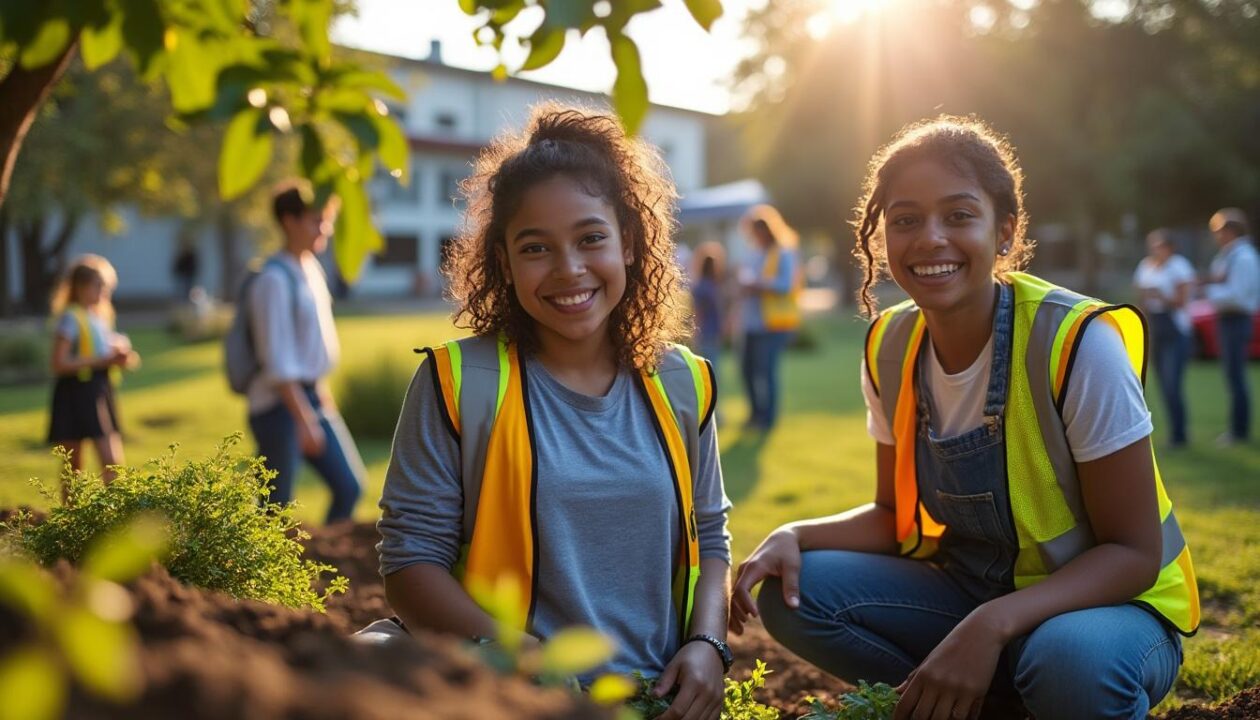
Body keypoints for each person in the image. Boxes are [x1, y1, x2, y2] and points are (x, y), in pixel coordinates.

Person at [730, 116, 1199, 720]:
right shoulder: (891, 346)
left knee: (1069, 662)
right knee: (796, 595)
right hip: (974, 595)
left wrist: (992, 623)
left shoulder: (1075, 342)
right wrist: (796, 534)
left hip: (1111, 611)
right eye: (905, 220)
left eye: (958, 215)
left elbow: (1134, 553)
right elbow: (893, 517)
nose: (930, 238)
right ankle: (975, 702)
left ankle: (1031, 684)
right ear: (882, 238)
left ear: (1004, 231)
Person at [373, 105, 733, 720]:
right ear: (503, 263)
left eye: (591, 238)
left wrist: (707, 644)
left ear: (629, 242)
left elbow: (711, 536)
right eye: (535, 247)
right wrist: (517, 657)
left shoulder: (683, 382)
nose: (569, 269)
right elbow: (409, 563)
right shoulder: (459, 383)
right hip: (506, 695)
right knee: (364, 654)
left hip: (654, 702)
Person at [246, 182, 364, 524]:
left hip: (311, 397)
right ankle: (269, 576)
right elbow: (277, 359)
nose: (324, 228)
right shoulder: (273, 279)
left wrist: (321, 396)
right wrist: (303, 418)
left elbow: (309, 345)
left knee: (349, 487)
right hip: (279, 408)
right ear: (288, 221)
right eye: (316, 219)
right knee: (275, 510)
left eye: (326, 220)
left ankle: (324, 566)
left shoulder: (311, 268)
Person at [47, 254, 139, 484]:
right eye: (99, 286)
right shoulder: (71, 318)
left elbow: (107, 354)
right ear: (80, 287)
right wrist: (100, 361)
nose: (104, 292)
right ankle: (71, 516)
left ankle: (116, 516)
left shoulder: (99, 317)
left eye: (106, 286)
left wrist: (123, 359)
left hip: (99, 391)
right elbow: (58, 363)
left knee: (112, 461)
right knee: (73, 465)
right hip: (75, 392)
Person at [738, 205, 802, 432]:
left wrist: (758, 285)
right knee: (747, 371)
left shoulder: (784, 252)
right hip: (751, 322)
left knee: (766, 372)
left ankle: (768, 419)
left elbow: (786, 285)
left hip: (774, 324)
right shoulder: (754, 253)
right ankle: (755, 415)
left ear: (767, 230)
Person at [1134, 229, 1196, 447]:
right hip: (1156, 328)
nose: (1155, 250)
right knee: (1161, 384)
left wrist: (1161, 296)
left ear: (1169, 247)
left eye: (1160, 246)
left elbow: (1182, 300)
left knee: (1172, 383)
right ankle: (1173, 433)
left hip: (1175, 330)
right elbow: (1141, 295)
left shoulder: (1179, 266)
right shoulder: (1146, 265)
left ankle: (1180, 434)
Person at [1203, 208, 1259, 446]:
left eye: (1219, 230)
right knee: (1231, 376)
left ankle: (1239, 432)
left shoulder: (1243, 257)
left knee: (1236, 377)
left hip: (1237, 319)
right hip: (1227, 319)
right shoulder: (1228, 255)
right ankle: (1237, 429)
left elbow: (1239, 295)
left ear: (1231, 230)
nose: (1216, 236)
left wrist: (1209, 292)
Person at [692, 241, 728, 367]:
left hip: (708, 330)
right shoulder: (710, 286)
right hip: (710, 330)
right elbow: (701, 310)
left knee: (707, 364)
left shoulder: (703, 285)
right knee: (711, 364)